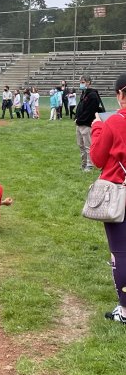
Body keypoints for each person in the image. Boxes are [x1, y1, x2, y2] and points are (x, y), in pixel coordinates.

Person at [90, 73, 126, 324]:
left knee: (121, 252)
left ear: (120, 95)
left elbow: (97, 159)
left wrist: (97, 127)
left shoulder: (114, 121)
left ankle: (124, 311)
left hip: (119, 191)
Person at [75, 75, 105, 172]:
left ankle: (90, 164)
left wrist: (80, 120)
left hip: (86, 124)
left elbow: (90, 111)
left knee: (88, 145)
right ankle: (83, 163)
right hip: (79, 124)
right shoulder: (84, 93)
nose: (81, 83)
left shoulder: (92, 95)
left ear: (88, 82)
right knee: (81, 145)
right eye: (81, 82)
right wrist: (76, 118)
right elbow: (80, 107)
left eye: (83, 82)